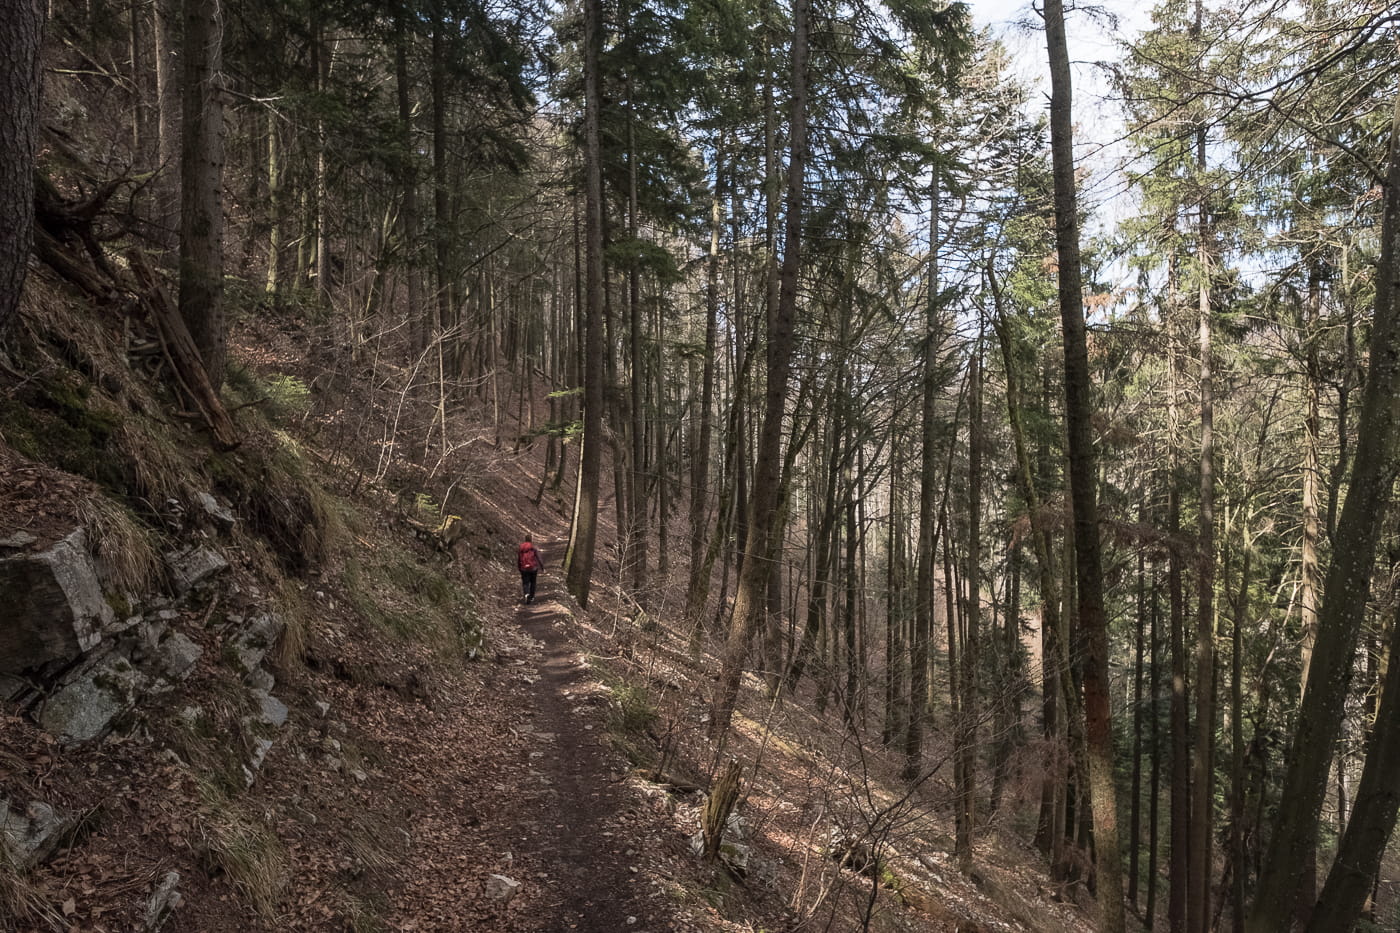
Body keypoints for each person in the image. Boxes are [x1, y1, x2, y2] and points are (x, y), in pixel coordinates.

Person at [517, 536, 543, 604]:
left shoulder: (521, 548)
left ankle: (526, 594)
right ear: (531, 540)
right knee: (533, 582)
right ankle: (531, 597)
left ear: (525, 540)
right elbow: (539, 558)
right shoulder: (533, 548)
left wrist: (519, 568)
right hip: (533, 568)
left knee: (525, 582)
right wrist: (542, 567)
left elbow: (519, 559)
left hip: (524, 568)